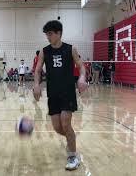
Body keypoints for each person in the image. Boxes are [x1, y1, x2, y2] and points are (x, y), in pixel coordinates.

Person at [33, 20, 87, 170]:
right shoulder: (45, 51)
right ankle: (72, 140)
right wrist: (36, 84)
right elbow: (38, 70)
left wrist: (82, 78)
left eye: (50, 34)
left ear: (59, 33)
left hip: (68, 92)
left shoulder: (70, 49)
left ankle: (72, 156)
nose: (48, 37)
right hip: (53, 92)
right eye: (46, 34)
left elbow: (81, 67)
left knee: (65, 122)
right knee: (57, 128)